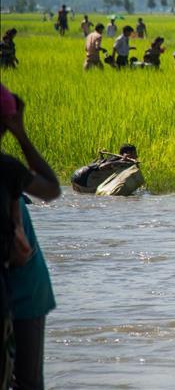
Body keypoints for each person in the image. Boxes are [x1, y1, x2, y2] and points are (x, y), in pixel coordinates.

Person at [1, 85, 61, 389]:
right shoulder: (8, 169)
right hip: (22, 290)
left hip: (21, 291)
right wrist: (21, 134)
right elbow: (51, 188)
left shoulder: (7, 171)